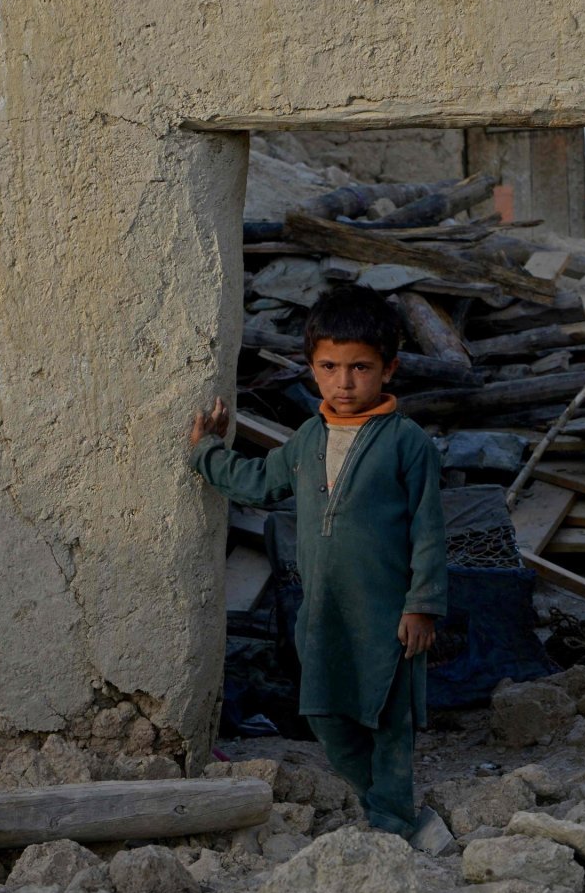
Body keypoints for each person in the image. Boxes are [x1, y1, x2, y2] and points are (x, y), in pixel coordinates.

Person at [188, 286, 447, 842]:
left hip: (389, 613)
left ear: (389, 369)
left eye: (360, 367)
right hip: (323, 610)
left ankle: (393, 821)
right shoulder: (309, 437)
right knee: (327, 713)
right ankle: (377, 800)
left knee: (389, 720)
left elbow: (429, 530)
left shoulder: (408, 445)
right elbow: (260, 482)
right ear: (311, 368)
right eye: (329, 366)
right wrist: (207, 453)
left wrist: (422, 605)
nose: (343, 382)